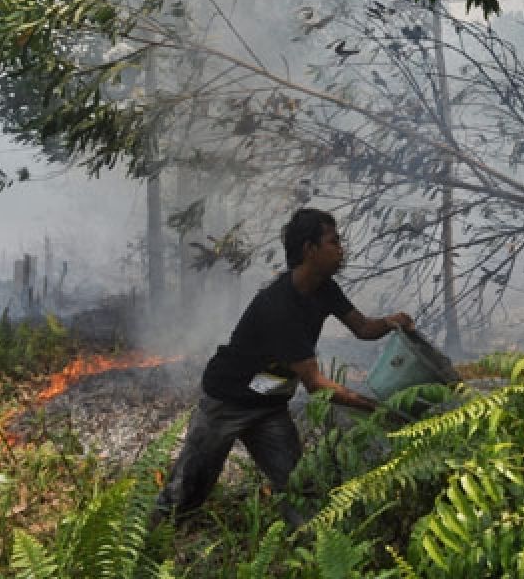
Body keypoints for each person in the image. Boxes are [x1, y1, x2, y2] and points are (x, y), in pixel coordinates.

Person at [154, 208, 414, 526]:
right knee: (186, 491)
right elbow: (316, 385)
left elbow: (363, 329)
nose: (341, 249)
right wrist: (376, 408)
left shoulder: (325, 289)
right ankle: (147, 550)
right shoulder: (279, 307)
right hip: (227, 402)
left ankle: (311, 554)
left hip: (269, 405)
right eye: (333, 242)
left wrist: (391, 322)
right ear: (309, 249)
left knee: (298, 489)